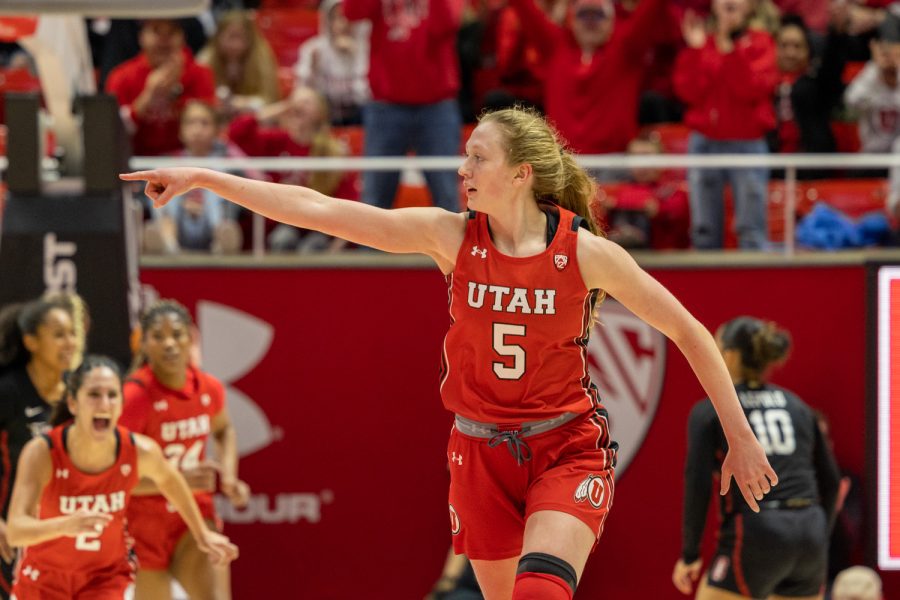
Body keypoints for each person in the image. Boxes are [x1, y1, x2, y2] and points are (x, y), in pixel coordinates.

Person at [121, 106, 777, 599]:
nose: (462, 170)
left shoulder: (585, 254)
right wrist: (205, 177)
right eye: (463, 158)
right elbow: (317, 209)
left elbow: (689, 329)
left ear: (520, 174)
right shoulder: (448, 237)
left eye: (477, 159)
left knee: (539, 593)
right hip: (478, 452)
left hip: (565, 446)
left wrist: (740, 435)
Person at [5, 355, 238, 599]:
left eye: (112, 395)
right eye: (94, 395)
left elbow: (171, 481)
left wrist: (202, 534)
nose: (104, 403)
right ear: (73, 403)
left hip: (104, 578)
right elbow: (16, 531)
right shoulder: (43, 452)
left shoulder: (139, 450)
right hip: (44, 579)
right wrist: (65, 525)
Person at [672, 316, 842, 600]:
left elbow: (698, 485)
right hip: (809, 530)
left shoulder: (712, 410)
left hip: (758, 530)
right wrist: (817, 538)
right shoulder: (798, 406)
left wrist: (690, 555)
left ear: (730, 355)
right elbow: (833, 482)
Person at [120, 300, 249, 600]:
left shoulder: (208, 388)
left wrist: (229, 476)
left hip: (192, 519)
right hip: (142, 524)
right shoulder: (133, 397)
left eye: (177, 334)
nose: (169, 344)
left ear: (191, 338)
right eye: (158, 336)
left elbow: (224, 429)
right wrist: (179, 480)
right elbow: (117, 478)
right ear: (144, 345)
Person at [343, 0, 464, 211]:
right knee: (374, 201)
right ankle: (371, 245)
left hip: (436, 105)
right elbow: (352, 11)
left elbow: (446, 24)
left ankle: (454, 245)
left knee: (446, 197)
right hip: (386, 105)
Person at [0, 298, 78, 599]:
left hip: (57, 531)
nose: (69, 342)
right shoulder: (8, 392)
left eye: (72, 333)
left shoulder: (77, 393)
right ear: (31, 341)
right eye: (58, 334)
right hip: (9, 529)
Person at [143, 100, 248, 255]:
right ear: (180, 131)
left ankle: (222, 240)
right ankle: (166, 241)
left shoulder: (227, 164)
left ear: (216, 130)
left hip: (212, 223)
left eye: (204, 123)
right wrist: (186, 204)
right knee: (162, 177)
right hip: (178, 223)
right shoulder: (168, 161)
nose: (197, 129)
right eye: (191, 123)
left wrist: (202, 206)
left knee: (218, 177)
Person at [105, 19, 216, 157]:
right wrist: (148, 96)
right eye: (156, 30)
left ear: (183, 37)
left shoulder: (200, 74)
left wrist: (176, 92)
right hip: (135, 164)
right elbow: (109, 135)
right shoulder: (121, 76)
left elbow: (208, 131)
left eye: (172, 32)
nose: (164, 40)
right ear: (141, 37)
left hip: (186, 165)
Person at [294, 0, 371, 126]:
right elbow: (302, 93)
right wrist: (313, 70)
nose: (343, 24)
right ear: (328, 21)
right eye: (337, 18)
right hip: (326, 112)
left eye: (348, 18)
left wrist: (356, 56)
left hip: (358, 112)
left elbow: (366, 95)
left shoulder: (367, 50)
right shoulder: (312, 49)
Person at [197, 10, 281, 117]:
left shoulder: (261, 57)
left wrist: (246, 103)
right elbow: (199, 101)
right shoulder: (206, 59)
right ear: (218, 37)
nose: (235, 45)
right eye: (231, 37)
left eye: (240, 37)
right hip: (216, 119)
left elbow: (270, 100)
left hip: (253, 119)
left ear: (250, 39)